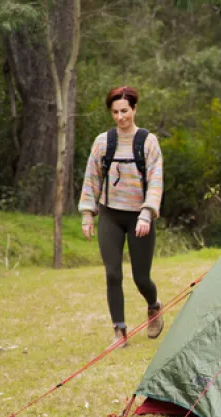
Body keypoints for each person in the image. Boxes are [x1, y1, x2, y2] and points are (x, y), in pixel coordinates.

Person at [78, 86, 164, 347]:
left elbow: (156, 181)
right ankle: (119, 331)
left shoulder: (148, 142)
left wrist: (147, 214)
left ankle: (154, 306)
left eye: (124, 111)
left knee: (141, 277)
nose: (120, 117)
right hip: (110, 215)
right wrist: (87, 214)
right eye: (115, 112)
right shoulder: (103, 142)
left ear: (135, 109)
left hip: (140, 217)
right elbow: (91, 178)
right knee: (113, 273)